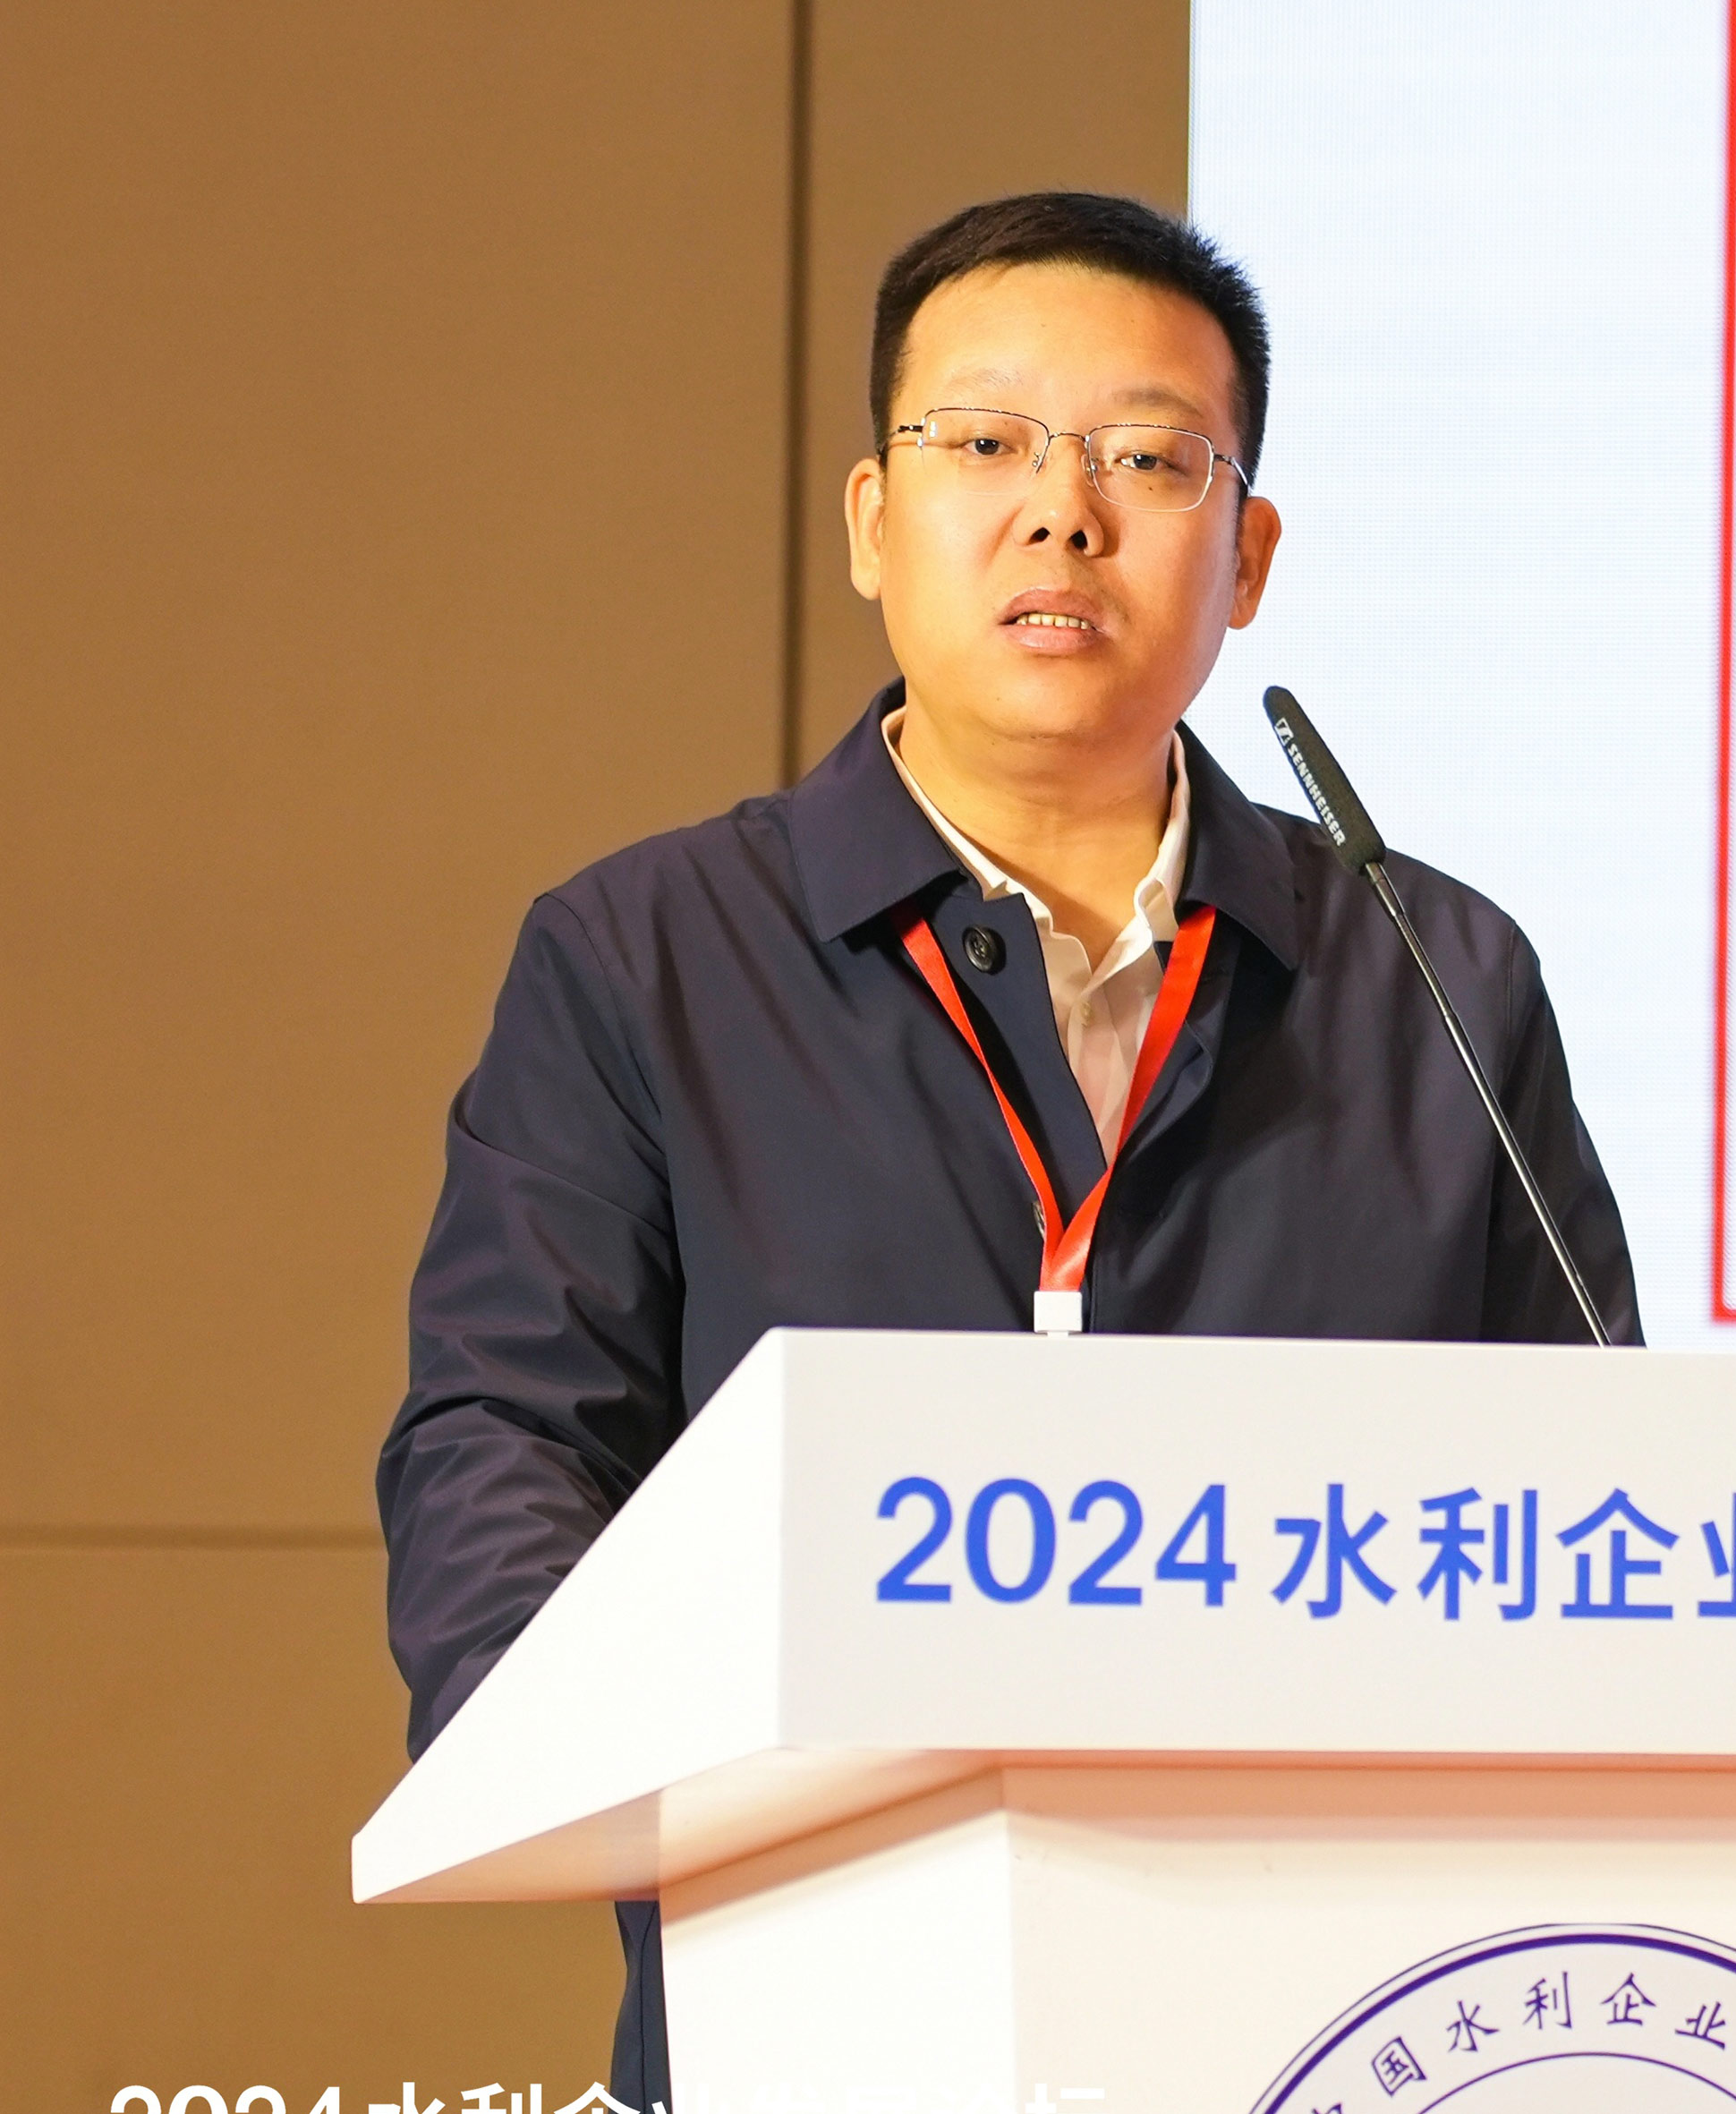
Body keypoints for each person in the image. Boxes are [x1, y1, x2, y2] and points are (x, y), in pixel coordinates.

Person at [376, 191, 1642, 2102]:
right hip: (805, 1992)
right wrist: (641, 1788)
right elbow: (507, 1441)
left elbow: (1593, 1498)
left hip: (1335, 2015)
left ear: (1247, 554)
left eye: (1147, 456)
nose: (1062, 512)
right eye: (982, 443)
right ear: (871, 522)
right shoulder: (647, 958)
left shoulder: (1434, 976)